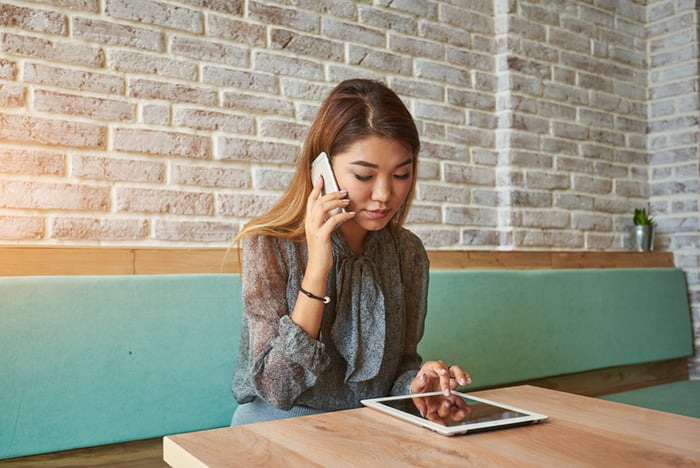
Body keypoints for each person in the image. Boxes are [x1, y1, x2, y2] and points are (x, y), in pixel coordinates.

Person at [230, 78, 471, 425]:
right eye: (363, 175)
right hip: (279, 423)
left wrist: (419, 388)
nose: (384, 194)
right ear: (321, 171)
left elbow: (399, 370)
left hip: (370, 427)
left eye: (401, 174)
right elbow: (278, 389)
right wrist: (317, 267)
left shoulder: (408, 253)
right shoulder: (269, 243)